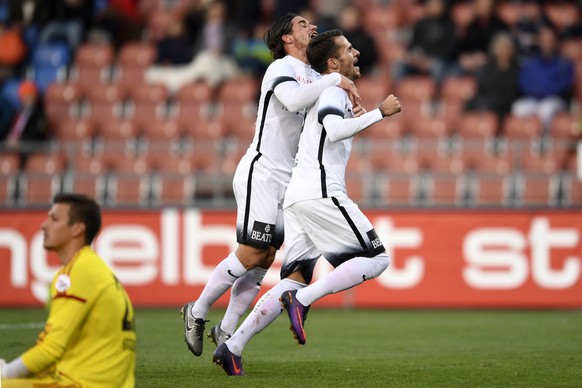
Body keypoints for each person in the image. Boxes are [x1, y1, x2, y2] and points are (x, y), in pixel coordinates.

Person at [212, 29, 401, 376]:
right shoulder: (332, 88)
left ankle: (233, 346)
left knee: (293, 278)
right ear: (332, 63)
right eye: (348, 49)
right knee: (378, 259)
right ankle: (303, 301)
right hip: (320, 191)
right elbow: (333, 129)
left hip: (298, 195)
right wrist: (379, 113)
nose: (356, 52)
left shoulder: (328, 89)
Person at [180, 14, 360, 359]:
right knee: (251, 252)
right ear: (287, 38)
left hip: (290, 178)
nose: (312, 27)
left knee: (265, 258)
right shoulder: (281, 67)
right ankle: (198, 310)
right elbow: (293, 102)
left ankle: (228, 328)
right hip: (262, 170)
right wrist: (337, 79)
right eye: (302, 24)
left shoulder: (316, 75)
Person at [0, 193, 136, 387]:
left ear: (77, 229)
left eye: (54, 219)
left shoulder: (76, 272)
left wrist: (4, 374)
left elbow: (51, 350)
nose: (43, 225)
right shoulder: (91, 267)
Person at [511, 25, 574, 133]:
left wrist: (545, 91)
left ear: (555, 42)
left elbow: (565, 84)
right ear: (539, 42)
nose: (547, 44)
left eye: (550, 41)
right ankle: (524, 139)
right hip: (534, 99)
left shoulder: (564, 63)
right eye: (544, 41)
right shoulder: (531, 62)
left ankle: (544, 142)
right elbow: (523, 81)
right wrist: (535, 91)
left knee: (546, 110)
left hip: (555, 100)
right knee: (518, 108)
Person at [392, 0, 457, 85]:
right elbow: (413, 44)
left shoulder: (449, 25)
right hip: (419, 58)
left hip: (437, 59)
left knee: (437, 67)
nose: (433, 7)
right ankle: (396, 93)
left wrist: (429, 59)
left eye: (436, 4)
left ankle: (436, 94)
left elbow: (449, 48)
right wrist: (415, 56)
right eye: (431, 4)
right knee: (398, 65)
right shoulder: (421, 23)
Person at [464, 32, 520, 121]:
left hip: (505, 103)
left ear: (511, 49)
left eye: (504, 47)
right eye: (498, 47)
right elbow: (481, 87)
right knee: (470, 104)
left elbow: (513, 91)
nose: (501, 50)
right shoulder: (487, 67)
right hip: (488, 100)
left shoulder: (516, 69)